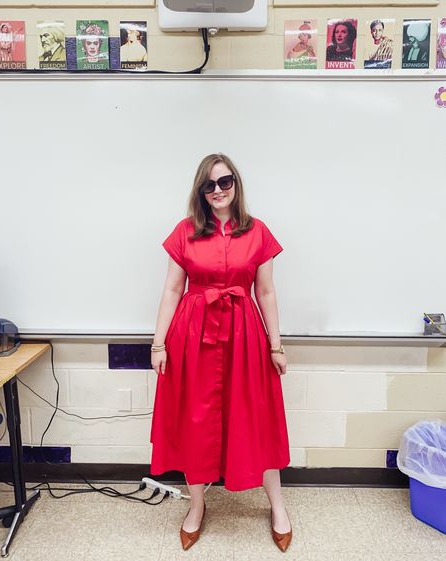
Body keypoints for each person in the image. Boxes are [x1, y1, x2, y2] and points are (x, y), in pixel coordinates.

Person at [150, 153, 292, 552]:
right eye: (208, 185)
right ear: (200, 191)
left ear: (236, 184)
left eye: (224, 182)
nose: (217, 191)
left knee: (257, 418)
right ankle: (196, 507)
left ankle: (278, 507)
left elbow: (264, 291)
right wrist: (158, 344)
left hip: (245, 335)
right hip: (194, 336)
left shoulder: (258, 231)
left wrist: (275, 345)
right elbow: (172, 291)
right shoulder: (185, 231)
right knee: (196, 421)